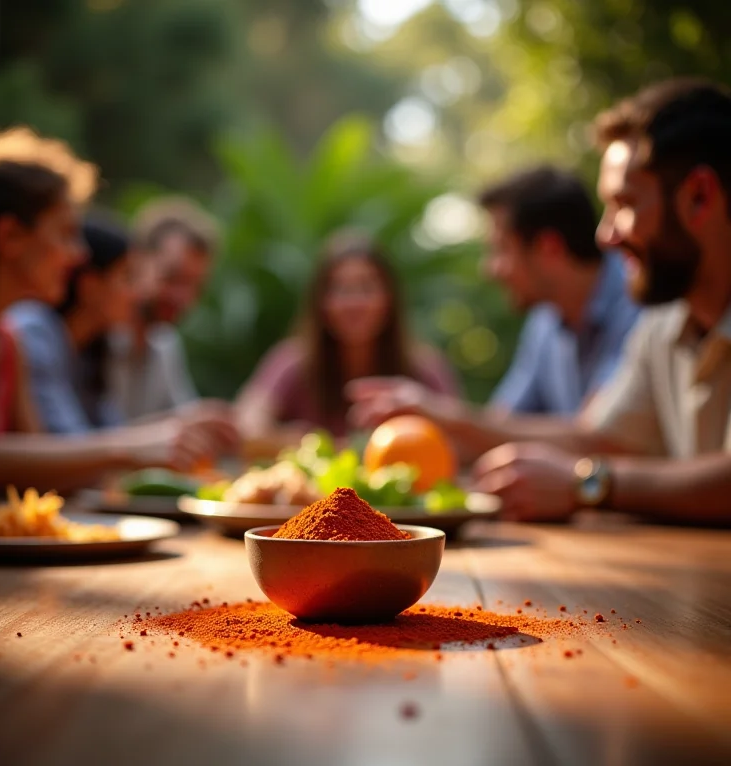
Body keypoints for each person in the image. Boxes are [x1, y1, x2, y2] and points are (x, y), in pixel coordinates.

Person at [347, 78, 731, 525]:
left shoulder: (641, 309)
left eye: (624, 203)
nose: (606, 235)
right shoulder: (665, 323)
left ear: (700, 197)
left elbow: (596, 462)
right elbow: (600, 439)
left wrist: (586, 484)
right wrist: (438, 423)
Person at [0, 127, 235, 512]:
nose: (77, 256)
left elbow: (40, 466)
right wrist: (133, 448)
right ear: (9, 237)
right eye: (65, 234)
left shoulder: (7, 342)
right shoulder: (21, 333)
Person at [236, 229, 461, 444]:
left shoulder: (423, 367)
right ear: (320, 302)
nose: (354, 303)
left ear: (389, 298)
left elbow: (461, 440)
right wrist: (310, 443)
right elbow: (247, 424)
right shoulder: (293, 361)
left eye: (367, 287)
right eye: (340, 289)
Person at [481, 166, 639, 415]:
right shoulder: (546, 320)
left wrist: (445, 417)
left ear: (549, 248)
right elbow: (503, 419)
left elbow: (598, 433)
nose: (491, 270)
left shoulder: (638, 303)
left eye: (502, 249)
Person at [7, 216, 134, 433]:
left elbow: (112, 432)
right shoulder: (33, 331)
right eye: (127, 277)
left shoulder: (92, 348)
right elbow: (63, 440)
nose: (135, 293)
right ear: (90, 285)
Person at [107, 196, 217, 421]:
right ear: (135, 261)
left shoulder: (165, 343)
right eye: (172, 277)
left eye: (195, 286)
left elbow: (184, 419)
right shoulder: (98, 337)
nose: (182, 297)